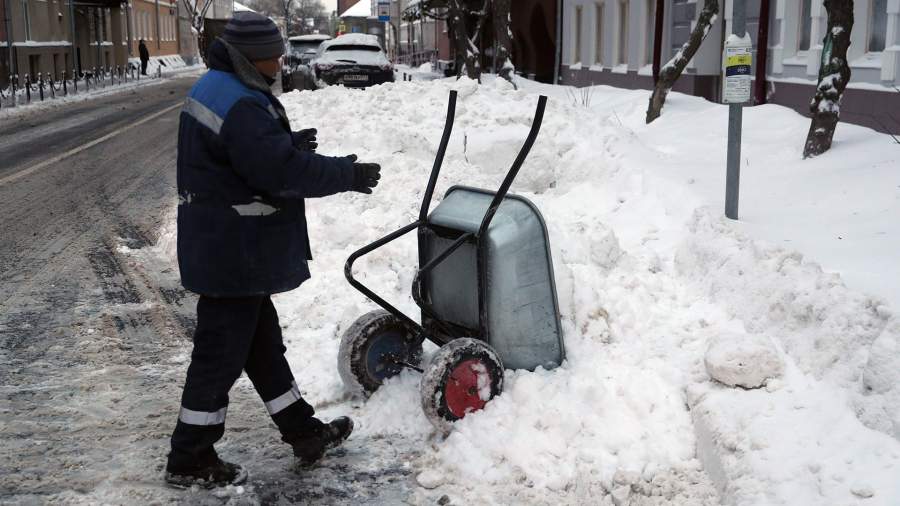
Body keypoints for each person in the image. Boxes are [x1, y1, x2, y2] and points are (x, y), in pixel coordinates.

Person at [165, 12, 381, 489]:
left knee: (262, 349)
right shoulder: (240, 101)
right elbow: (280, 174)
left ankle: (304, 433)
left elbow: (242, 155)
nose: (281, 59)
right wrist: (348, 174)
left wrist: (283, 142)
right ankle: (189, 457)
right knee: (219, 356)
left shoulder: (219, 87)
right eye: (273, 52)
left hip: (228, 246)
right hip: (234, 249)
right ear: (251, 56)